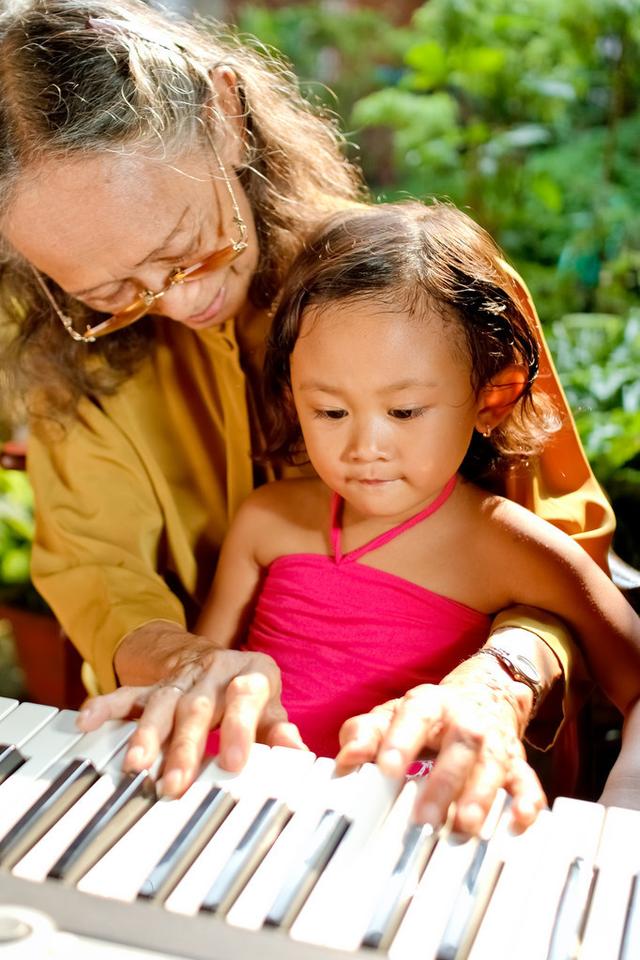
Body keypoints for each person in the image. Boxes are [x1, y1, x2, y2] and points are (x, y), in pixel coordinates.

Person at [0, 0, 618, 833]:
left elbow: (560, 546)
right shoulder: (68, 358)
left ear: (224, 115)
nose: (184, 301)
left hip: (443, 793)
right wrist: (186, 665)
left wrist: (500, 677)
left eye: (189, 245)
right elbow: (96, 568)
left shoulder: (419, 292)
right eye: (111, 295)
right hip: (218, 780)